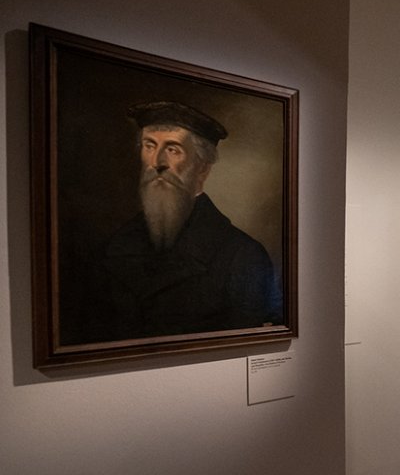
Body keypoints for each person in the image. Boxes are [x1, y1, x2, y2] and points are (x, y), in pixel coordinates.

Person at [84, 101, 281, 342]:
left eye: (173, 149)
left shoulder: (242, 256)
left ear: (202, 168)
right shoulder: (110, 249)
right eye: (149, 146)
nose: (157, 162)